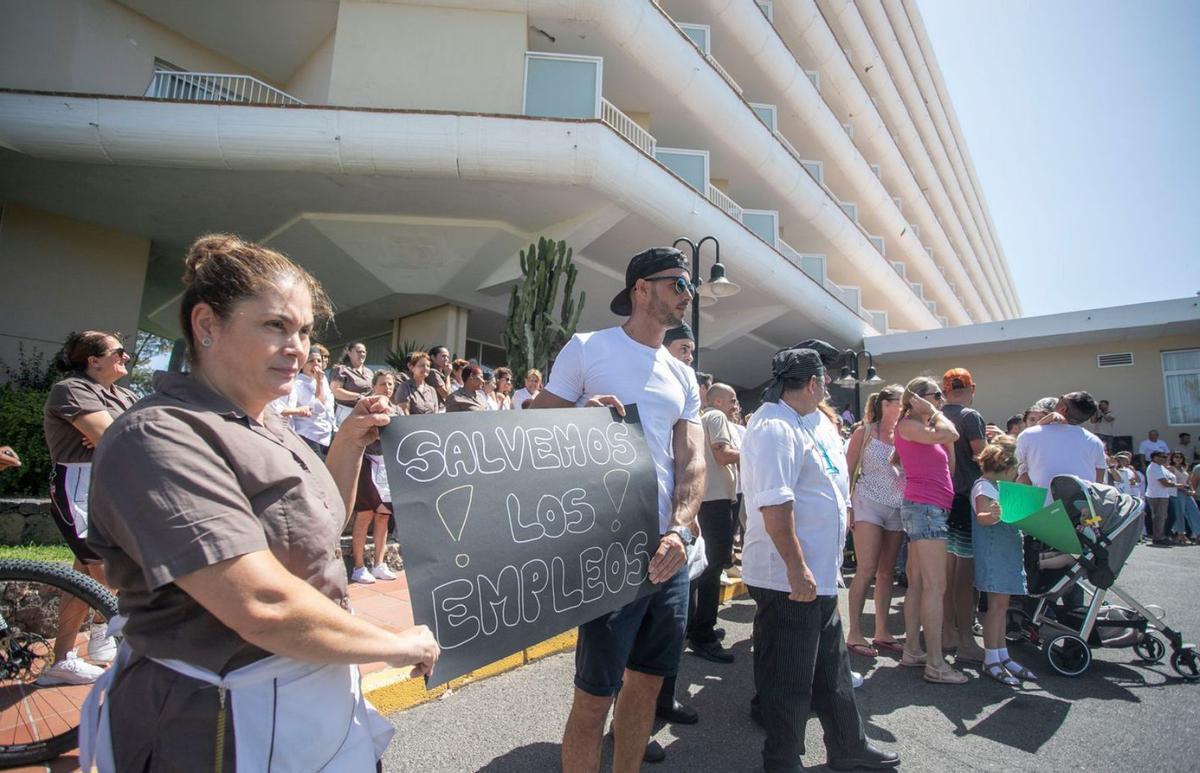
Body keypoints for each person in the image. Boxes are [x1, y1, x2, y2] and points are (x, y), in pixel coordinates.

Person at [83, 233, 437, 771]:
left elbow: (321, 524)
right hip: (218, 724)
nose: (298, 347)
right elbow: (260, 604)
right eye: (276, 325)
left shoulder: (267, 424)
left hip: (306, 703)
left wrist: (347, 443)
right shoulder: (158, 435)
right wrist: (396, 644)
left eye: (305, 331)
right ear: (206, 324)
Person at [531, 246, 704, 773]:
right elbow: (531, 431)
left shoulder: (683, 375)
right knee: (594, 697)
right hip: (607, 548)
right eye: (679, 284)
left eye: (691, 286)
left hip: (668, 552)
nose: (688, 295)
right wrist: (582, 419)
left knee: (646, 687)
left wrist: (680, 531)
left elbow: (692, 462)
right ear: (641, 289)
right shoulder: (588, 348)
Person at [741, 347, 899, 772]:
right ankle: (782, 759)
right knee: (789, 675)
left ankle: (848, 745)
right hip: (787, 577)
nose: (828, 385)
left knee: (832, 667)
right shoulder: (773, 427)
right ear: (811, 383)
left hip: (820, 573)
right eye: (824, 380)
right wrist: (797, 568)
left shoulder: (814, 420)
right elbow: (775, 505)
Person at [39, 330, 136, 685]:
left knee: (83, 574)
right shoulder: (71, 389)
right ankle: (112, 636)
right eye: (118, 352)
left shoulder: (124, 395)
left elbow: (143, 433)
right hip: (80, 486)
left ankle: (65, 657)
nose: (126, 357)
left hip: (115, 484)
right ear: (93, 360)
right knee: (104, 570)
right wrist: (120, 433)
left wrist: (121, 432)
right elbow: (116, 438)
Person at [893, 376, 965, 684]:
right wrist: (935, 415)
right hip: (925, 509)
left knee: (921, 583)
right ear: (917, 399)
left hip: (929, 508)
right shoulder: (910, 425)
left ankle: (913, 650)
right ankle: (935, 664)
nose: (941, 400)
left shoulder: (927, 430)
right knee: (936, 586)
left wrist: (937, 422)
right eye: (936, 395)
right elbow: (953, 433)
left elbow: (950, 465)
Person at [843, 385, 906, 658]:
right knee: (866, 568)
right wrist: (848, 507)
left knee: (887, 572)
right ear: (885, 404)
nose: (904, 406)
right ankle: (855, 632)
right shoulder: (865, 432)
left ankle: (882, 631)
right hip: (867, 503)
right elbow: (848, 471)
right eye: (900, 401)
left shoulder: (905, 433)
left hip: (897, 507)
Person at [970, 435, 1038, 685]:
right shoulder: (984, 487)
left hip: (1006, 553)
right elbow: (983, 516)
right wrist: (994, 514)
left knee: (1001, 607)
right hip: (994, 555)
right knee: (995, 609)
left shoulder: (997, 488)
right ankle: (991, 659)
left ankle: (1002, 655)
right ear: (1008, 468)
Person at [689, 382, 741, 663]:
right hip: (716, 502)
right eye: (732, 400)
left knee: (703, 569)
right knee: (712, 569)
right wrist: (753, 453)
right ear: (718, 401)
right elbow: (722, 454)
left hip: (706, 500)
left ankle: (697, 626)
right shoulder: (717, 417)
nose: (735, 406)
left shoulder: (702, 418)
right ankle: (703, 635)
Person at [938, 368, 987, 664]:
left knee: (945, 573)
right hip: (967, 499)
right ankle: (966, 640)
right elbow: (982, 456)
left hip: (941, 499)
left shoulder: (936, 417)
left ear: (944, 391)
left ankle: (948, 633)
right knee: (965, 576)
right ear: (972, 388)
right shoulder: (970, 417)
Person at [350, 370, 400, 584]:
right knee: (365, 515)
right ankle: (358, 567)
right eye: (383, 384)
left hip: (388, 466)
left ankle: (379, 564)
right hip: (368, 463)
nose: (387, 388)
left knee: (383, 516)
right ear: (373, 386)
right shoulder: (364, 407)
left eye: (390, 384)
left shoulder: (397, 410)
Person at [1015, 392, 1107, 493]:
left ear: (1063, 409)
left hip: (1041, 502)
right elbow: (1099, 482)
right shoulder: (1095, 441)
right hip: (1082, 502)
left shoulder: (1028, 435)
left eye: (1061, 398)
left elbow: (1019, 472)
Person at [288, 345, 336, 458]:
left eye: (319, 361)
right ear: (303, 364)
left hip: (326, 433)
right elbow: (317, 408)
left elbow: (329, 406)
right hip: (308, 435)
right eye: (311, 361)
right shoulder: (298, 383)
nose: (316, 364)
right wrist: (319, 383)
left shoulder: (323, 379)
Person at [329, 341, 373, 426]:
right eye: (358, 351)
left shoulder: (369, 372)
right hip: (346, 413)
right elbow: (335, 391)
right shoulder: (341, 370)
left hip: (366, 413)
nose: (362, 354)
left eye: (364, 352)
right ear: (349, 353)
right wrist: (358, 397)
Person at [393, 350, 439, 416]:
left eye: (428, 366)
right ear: (412, 367)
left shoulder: (432, 390)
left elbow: (436, 414)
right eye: (422, 365)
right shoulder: (405, 387)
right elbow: (404, 414)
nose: (426, 368)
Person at [1144, 450, 1176, 546]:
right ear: (1155, 457)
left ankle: (1161, 536)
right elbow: (1165, 483)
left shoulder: (1161, 467)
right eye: (1162, 456)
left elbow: (1170, 477)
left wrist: (1171, 482)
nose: (1164, 459)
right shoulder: (1154, 467)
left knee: (1163, 517)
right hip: (1156, 496)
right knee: (1159, 518)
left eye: (1165, 457)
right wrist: (1179, 485)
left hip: (1163, 495)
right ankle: (1158, 538)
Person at [1167, 451, 1199, 544]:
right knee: (1179, 513)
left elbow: (1188, 481)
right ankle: (1180, 534)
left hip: (1187, 493)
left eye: (1180, 457)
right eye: (1176, 457)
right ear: (1172, 458)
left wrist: (1192, 490)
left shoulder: (1184, 467)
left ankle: (1197, 533)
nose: (1178, 459)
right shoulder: (1170, 468)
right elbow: (1173, 482)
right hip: (1177, 492)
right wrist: (1185, 490)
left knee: (1194, 511)